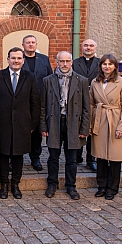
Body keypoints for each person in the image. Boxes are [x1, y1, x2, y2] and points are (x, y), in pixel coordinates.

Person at [0, 47, 40, 199]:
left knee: (18, 155)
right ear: (8, 59)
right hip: (2, 122)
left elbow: (35, 102)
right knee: (4, 155)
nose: (16, 61)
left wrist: (33, 124)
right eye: (13, 58)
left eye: (19, 58)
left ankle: (15, 184)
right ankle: (4, 185)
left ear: (23, 60)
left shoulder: (30, 77)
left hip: (23, 124)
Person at [41, 51, 90, 200]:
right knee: (53, 157)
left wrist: (84, 128)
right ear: (56, 62)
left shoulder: (81, 80)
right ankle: (52, 184)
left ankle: (71, 186)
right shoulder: (48, 80)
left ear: (72, 62)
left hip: (73, 123)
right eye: (61, 61)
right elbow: (43, 106)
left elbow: (87, 107)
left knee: (72, 158)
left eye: (67, 61)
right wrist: (43, 126)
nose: (64, 64)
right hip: (55, 122)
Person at [89, 54, 122, 200]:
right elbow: (90, 103)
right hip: (100, 119)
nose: (107, 66)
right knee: (100, 156)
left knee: (114, 157)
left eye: (110, 64)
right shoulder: (95, 82)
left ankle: (112, 188)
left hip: (115, 119)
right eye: (104, 64)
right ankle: (101, 186)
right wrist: (90, 123)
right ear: (100, 66)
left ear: (115, 66)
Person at [21, 34, 53, 172]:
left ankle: (35, 158)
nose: (31, 44)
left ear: (36, 44)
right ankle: (17, 158)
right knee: (21, 132)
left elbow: (50, 78)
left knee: (37, 133)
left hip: (40, 102)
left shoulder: (44, 60)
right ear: (23, 45)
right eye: (28, 42)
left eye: (33, 42)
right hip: (22, 102)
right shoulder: (18, 58)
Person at [72, 38, 99, 171]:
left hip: (95, 101)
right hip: (77, 99)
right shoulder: (75, 63)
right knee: (78, 128)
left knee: (92, 131)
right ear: (82, 48)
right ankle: (77, 155)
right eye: (86, 45)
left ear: (95, 48)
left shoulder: (101, 63)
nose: (88, 48)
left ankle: (91, 159)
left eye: (91, 46)